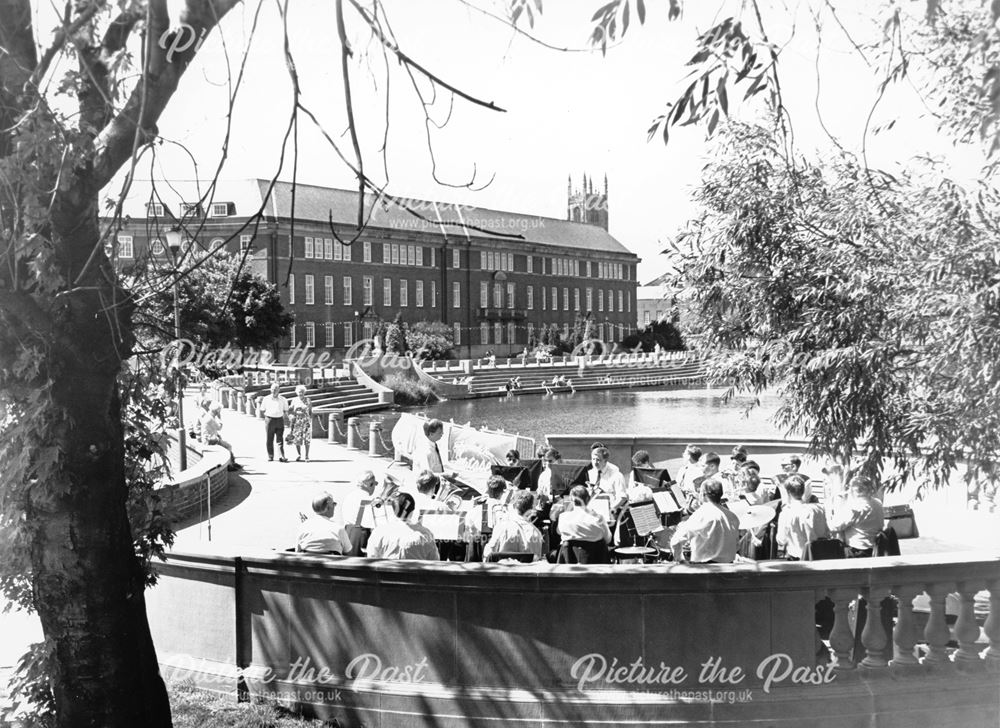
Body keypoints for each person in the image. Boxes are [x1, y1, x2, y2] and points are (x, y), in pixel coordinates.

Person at [670, 478, 740, 563]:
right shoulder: (732, 516)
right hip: (729, 567)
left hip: (705, 569)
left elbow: (675, 541)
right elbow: (736, 545)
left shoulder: (701, 513)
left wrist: (680, 560)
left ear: (703, 494)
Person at [366, 494, 439, 560]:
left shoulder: (379, 531)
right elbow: (434, 560)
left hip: (387, 574)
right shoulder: (426, 534)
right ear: (413, 511)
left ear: (393, 509)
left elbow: (371, 557)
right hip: (415, 574)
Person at [828, 475, 884, 558]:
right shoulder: (878, 503)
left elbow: (834, 527)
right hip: (875, 548)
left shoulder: (855, 509)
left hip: (856, 551)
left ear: (854, 491)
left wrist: (828, 512)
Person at [776, 477, 830, 560]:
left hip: (798, 559)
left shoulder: (786, 514)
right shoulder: (819, 509)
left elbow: (781, 540)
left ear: (788, 492)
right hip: (820, 556)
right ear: (803, 490)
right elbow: (826, 532)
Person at [483, 491, 544, 561]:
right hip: (526, 570)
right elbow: (536, 560)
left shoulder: (502, 527)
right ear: (531, 509)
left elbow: (488, 555)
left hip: (503, 570)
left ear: (514, 506)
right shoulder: (536, 533)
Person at [556, 486, 612, 560]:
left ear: (571, 500)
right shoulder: (598, 518)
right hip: (595, 563)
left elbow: (559, 532)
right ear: (588, 499)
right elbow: (608, 539)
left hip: (569, 562)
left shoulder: (563, 517)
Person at [341, 470, 379, 555]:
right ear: (370, 484)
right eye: (374, 484)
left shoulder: (349, 496)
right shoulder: (368, 500)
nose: (374, 487)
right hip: (360, 535)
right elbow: (372, 523)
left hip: (347, 531)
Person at [465, 475, 510, 546]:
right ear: (503, 492)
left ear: (487, 490)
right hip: (496, 551)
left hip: (477, 550)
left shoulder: (474, 511)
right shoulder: (506, 512)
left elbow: (468, 535)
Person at [201, 402, 241, 471]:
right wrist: (220, 419)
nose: (220, 412)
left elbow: (212, 430)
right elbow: (219, 427)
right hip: (209, 440)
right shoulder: (210, 419)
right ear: (216, 411)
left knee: (225, 444)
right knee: (228, 446)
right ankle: (229, 465)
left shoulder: (208, 416)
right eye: (219, 410)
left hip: (210, 438)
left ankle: (232, 463)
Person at [257, 382, 289, 462]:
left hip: (279, 420)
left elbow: (285, 410)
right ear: (270, 390)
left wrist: (286, 420)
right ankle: (270, 456)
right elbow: (262, 409)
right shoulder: (266, 398)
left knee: (280, 439)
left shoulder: (283, 399)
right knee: (269, 439)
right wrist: (266, 418)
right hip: (269, 420)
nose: (274, 391)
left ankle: (281, 456)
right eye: (273, 389)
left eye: (276, 389)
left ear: (279, 390)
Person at [588, 446, 627, 512]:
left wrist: (610, 510)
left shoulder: (616, 475)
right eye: (593, 459)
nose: (595, 463)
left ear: (605, 461)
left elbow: (622, 497)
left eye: (598, 460)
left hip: (610, 511)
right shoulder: (590, 473)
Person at [288, 384, 313, 462]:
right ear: (296, 392)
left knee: (307, 439)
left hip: (306, 421)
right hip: (297, 421)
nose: (300, 393)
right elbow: (290, 410)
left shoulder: (308, 400)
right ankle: (299, 454)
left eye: (302, 391)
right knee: (297, 439)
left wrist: (310, 420)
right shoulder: (294, 400)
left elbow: (310, 411)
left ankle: (307, 456)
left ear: (304, 392)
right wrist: (291, 416)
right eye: (299, 392)